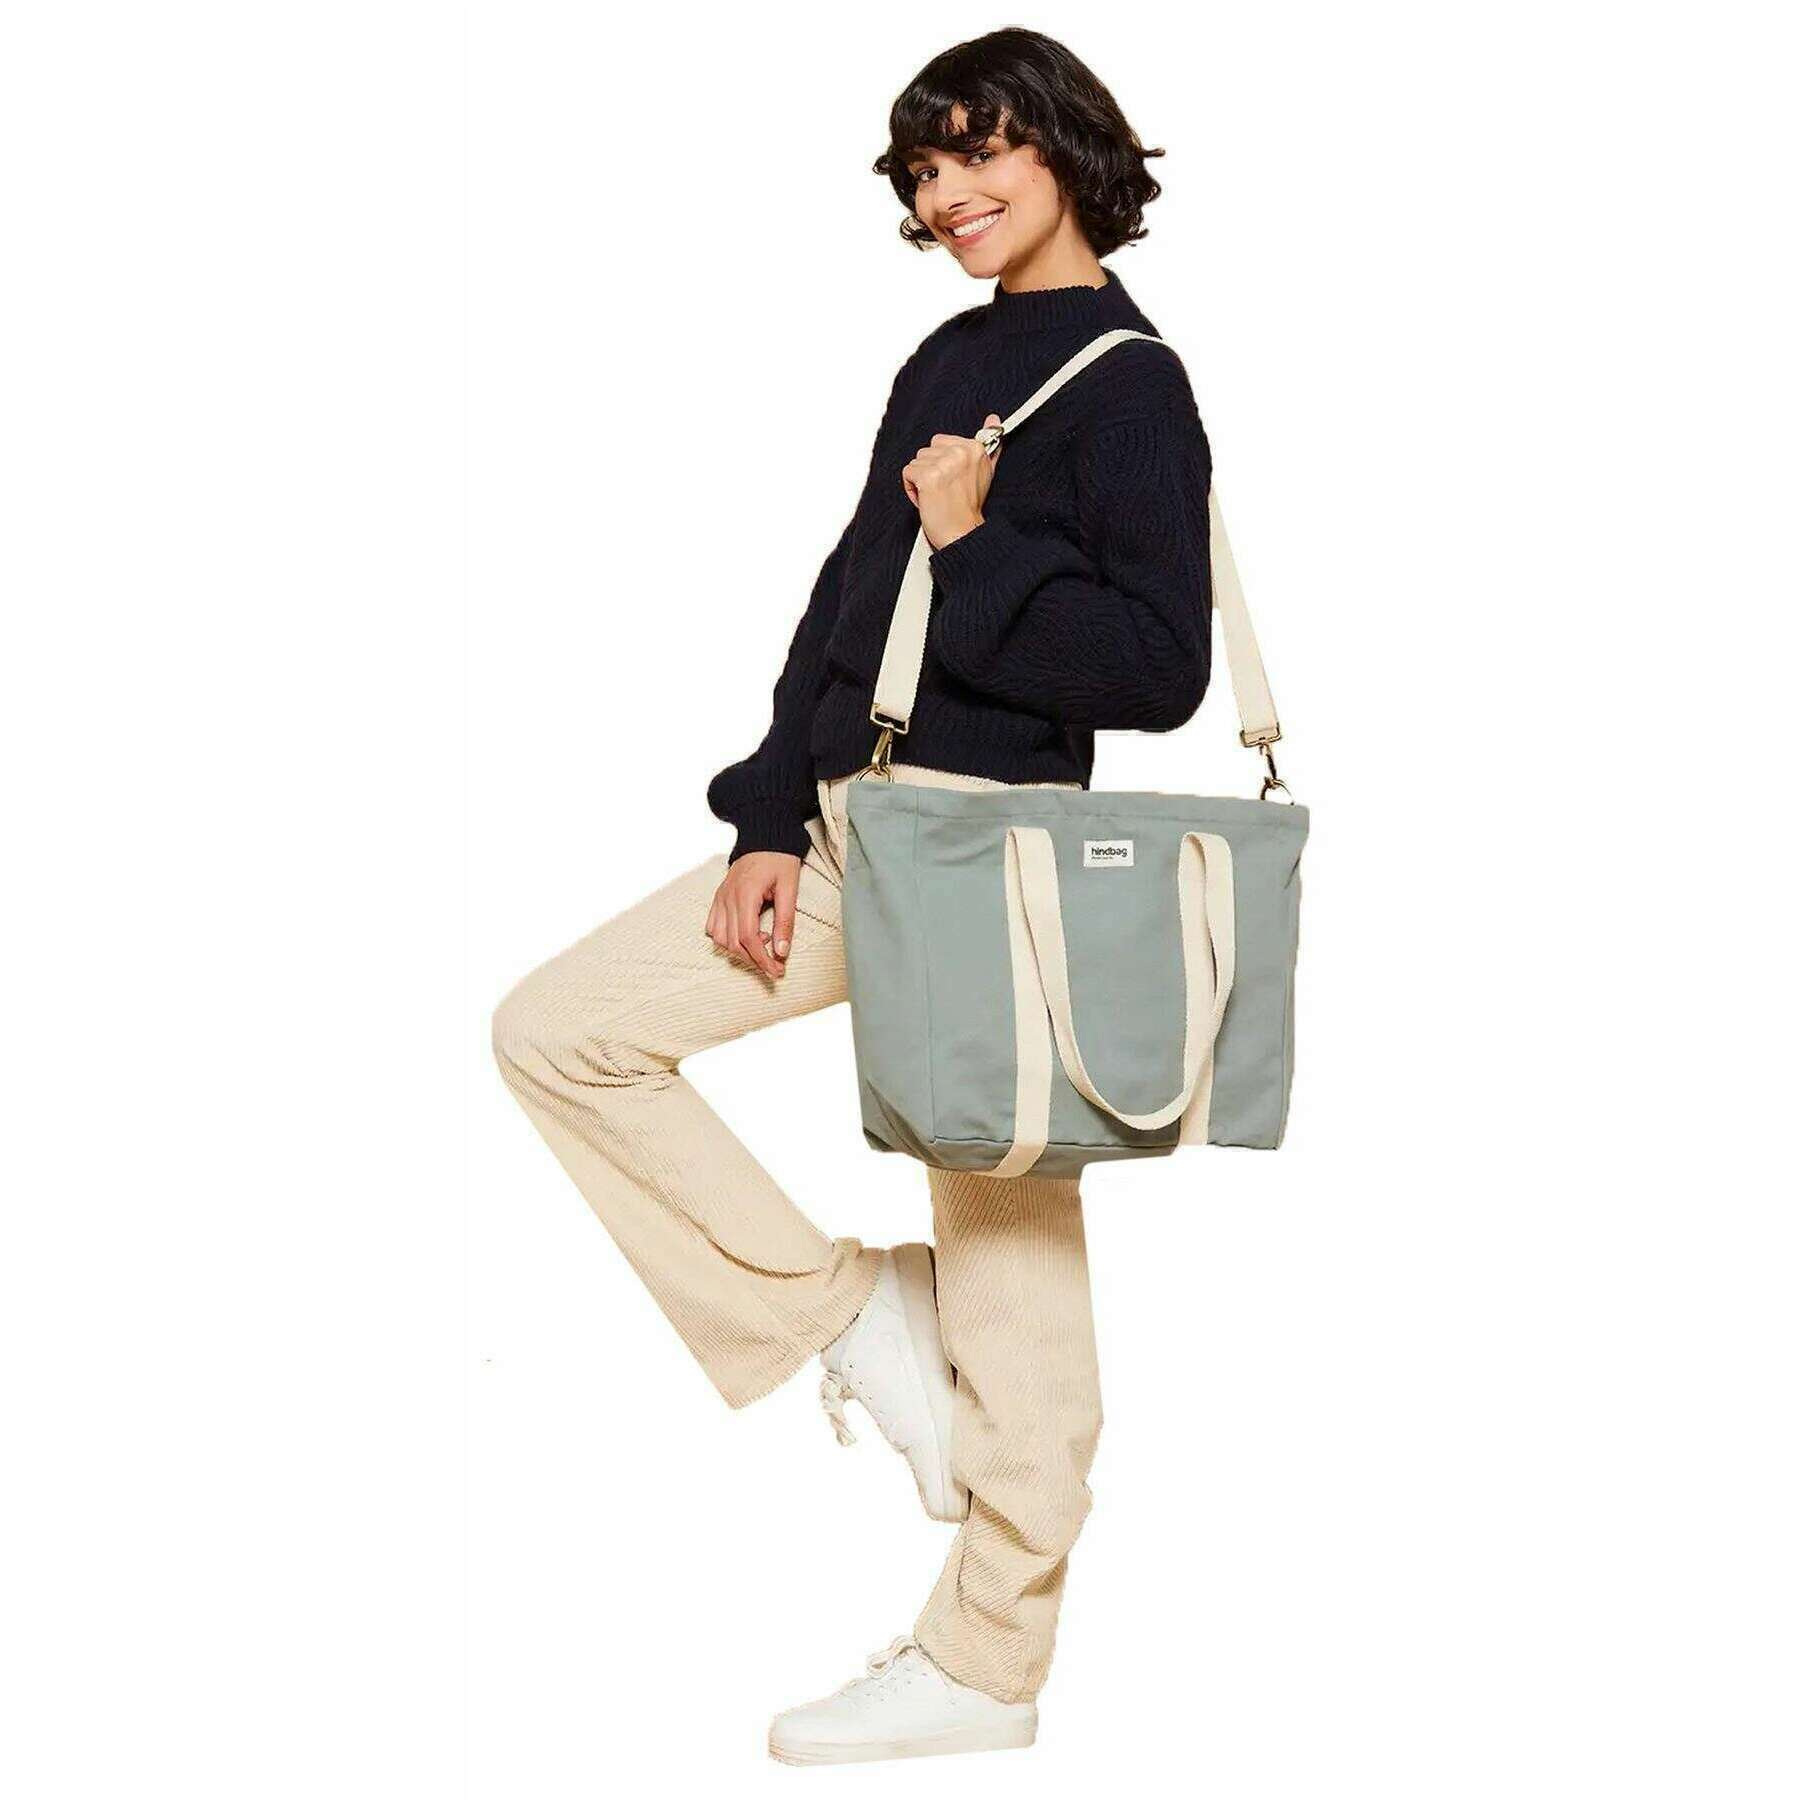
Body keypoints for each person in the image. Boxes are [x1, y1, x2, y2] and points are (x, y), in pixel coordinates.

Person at [492, 27, 1213, 1765]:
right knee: (561, 1033)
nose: (948, 194)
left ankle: (988, 1661)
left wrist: (979, 542)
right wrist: (764, 814)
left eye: (981, 153)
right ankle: (845, 1311)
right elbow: (845, 604)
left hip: (986, 852)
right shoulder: (946, 358)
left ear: (1065, 150)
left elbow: (1160, 669)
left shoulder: (1131, 385)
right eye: (924, 169)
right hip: (839, 826)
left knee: (1011, 1264)